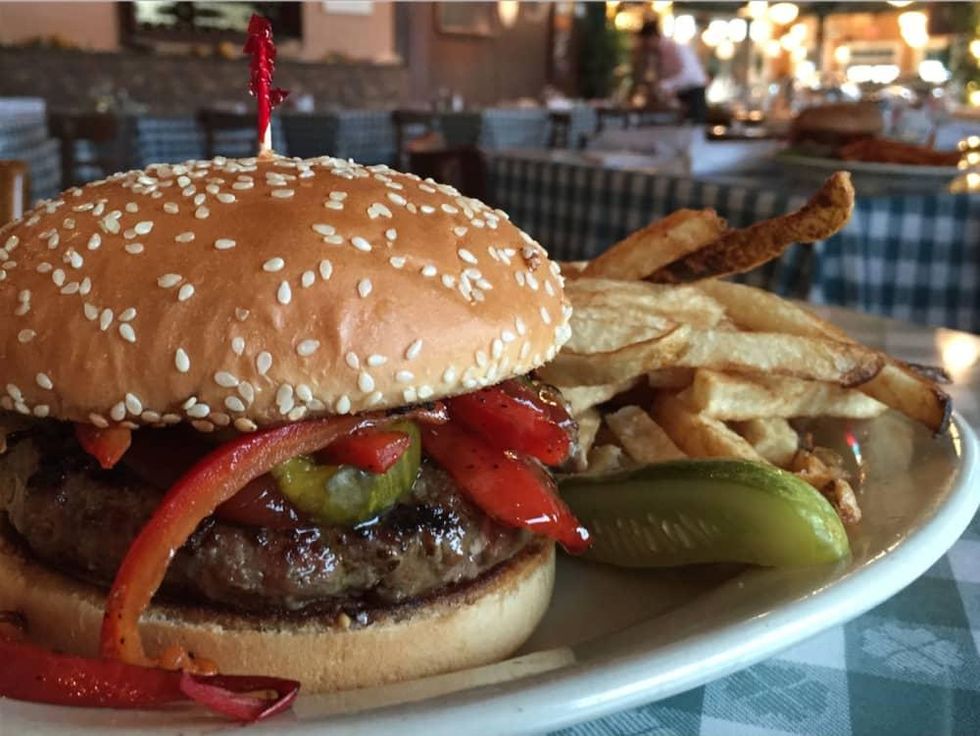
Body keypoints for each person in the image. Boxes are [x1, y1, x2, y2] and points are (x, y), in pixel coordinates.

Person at [641, 19, 708, 123]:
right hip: (684, 93)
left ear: (653, 37)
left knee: (693, 129)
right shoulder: (659, 52)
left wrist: (664, 85)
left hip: (694, 93)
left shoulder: (674, 48)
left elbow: (686, 74)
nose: (646, 46)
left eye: (646, 42)